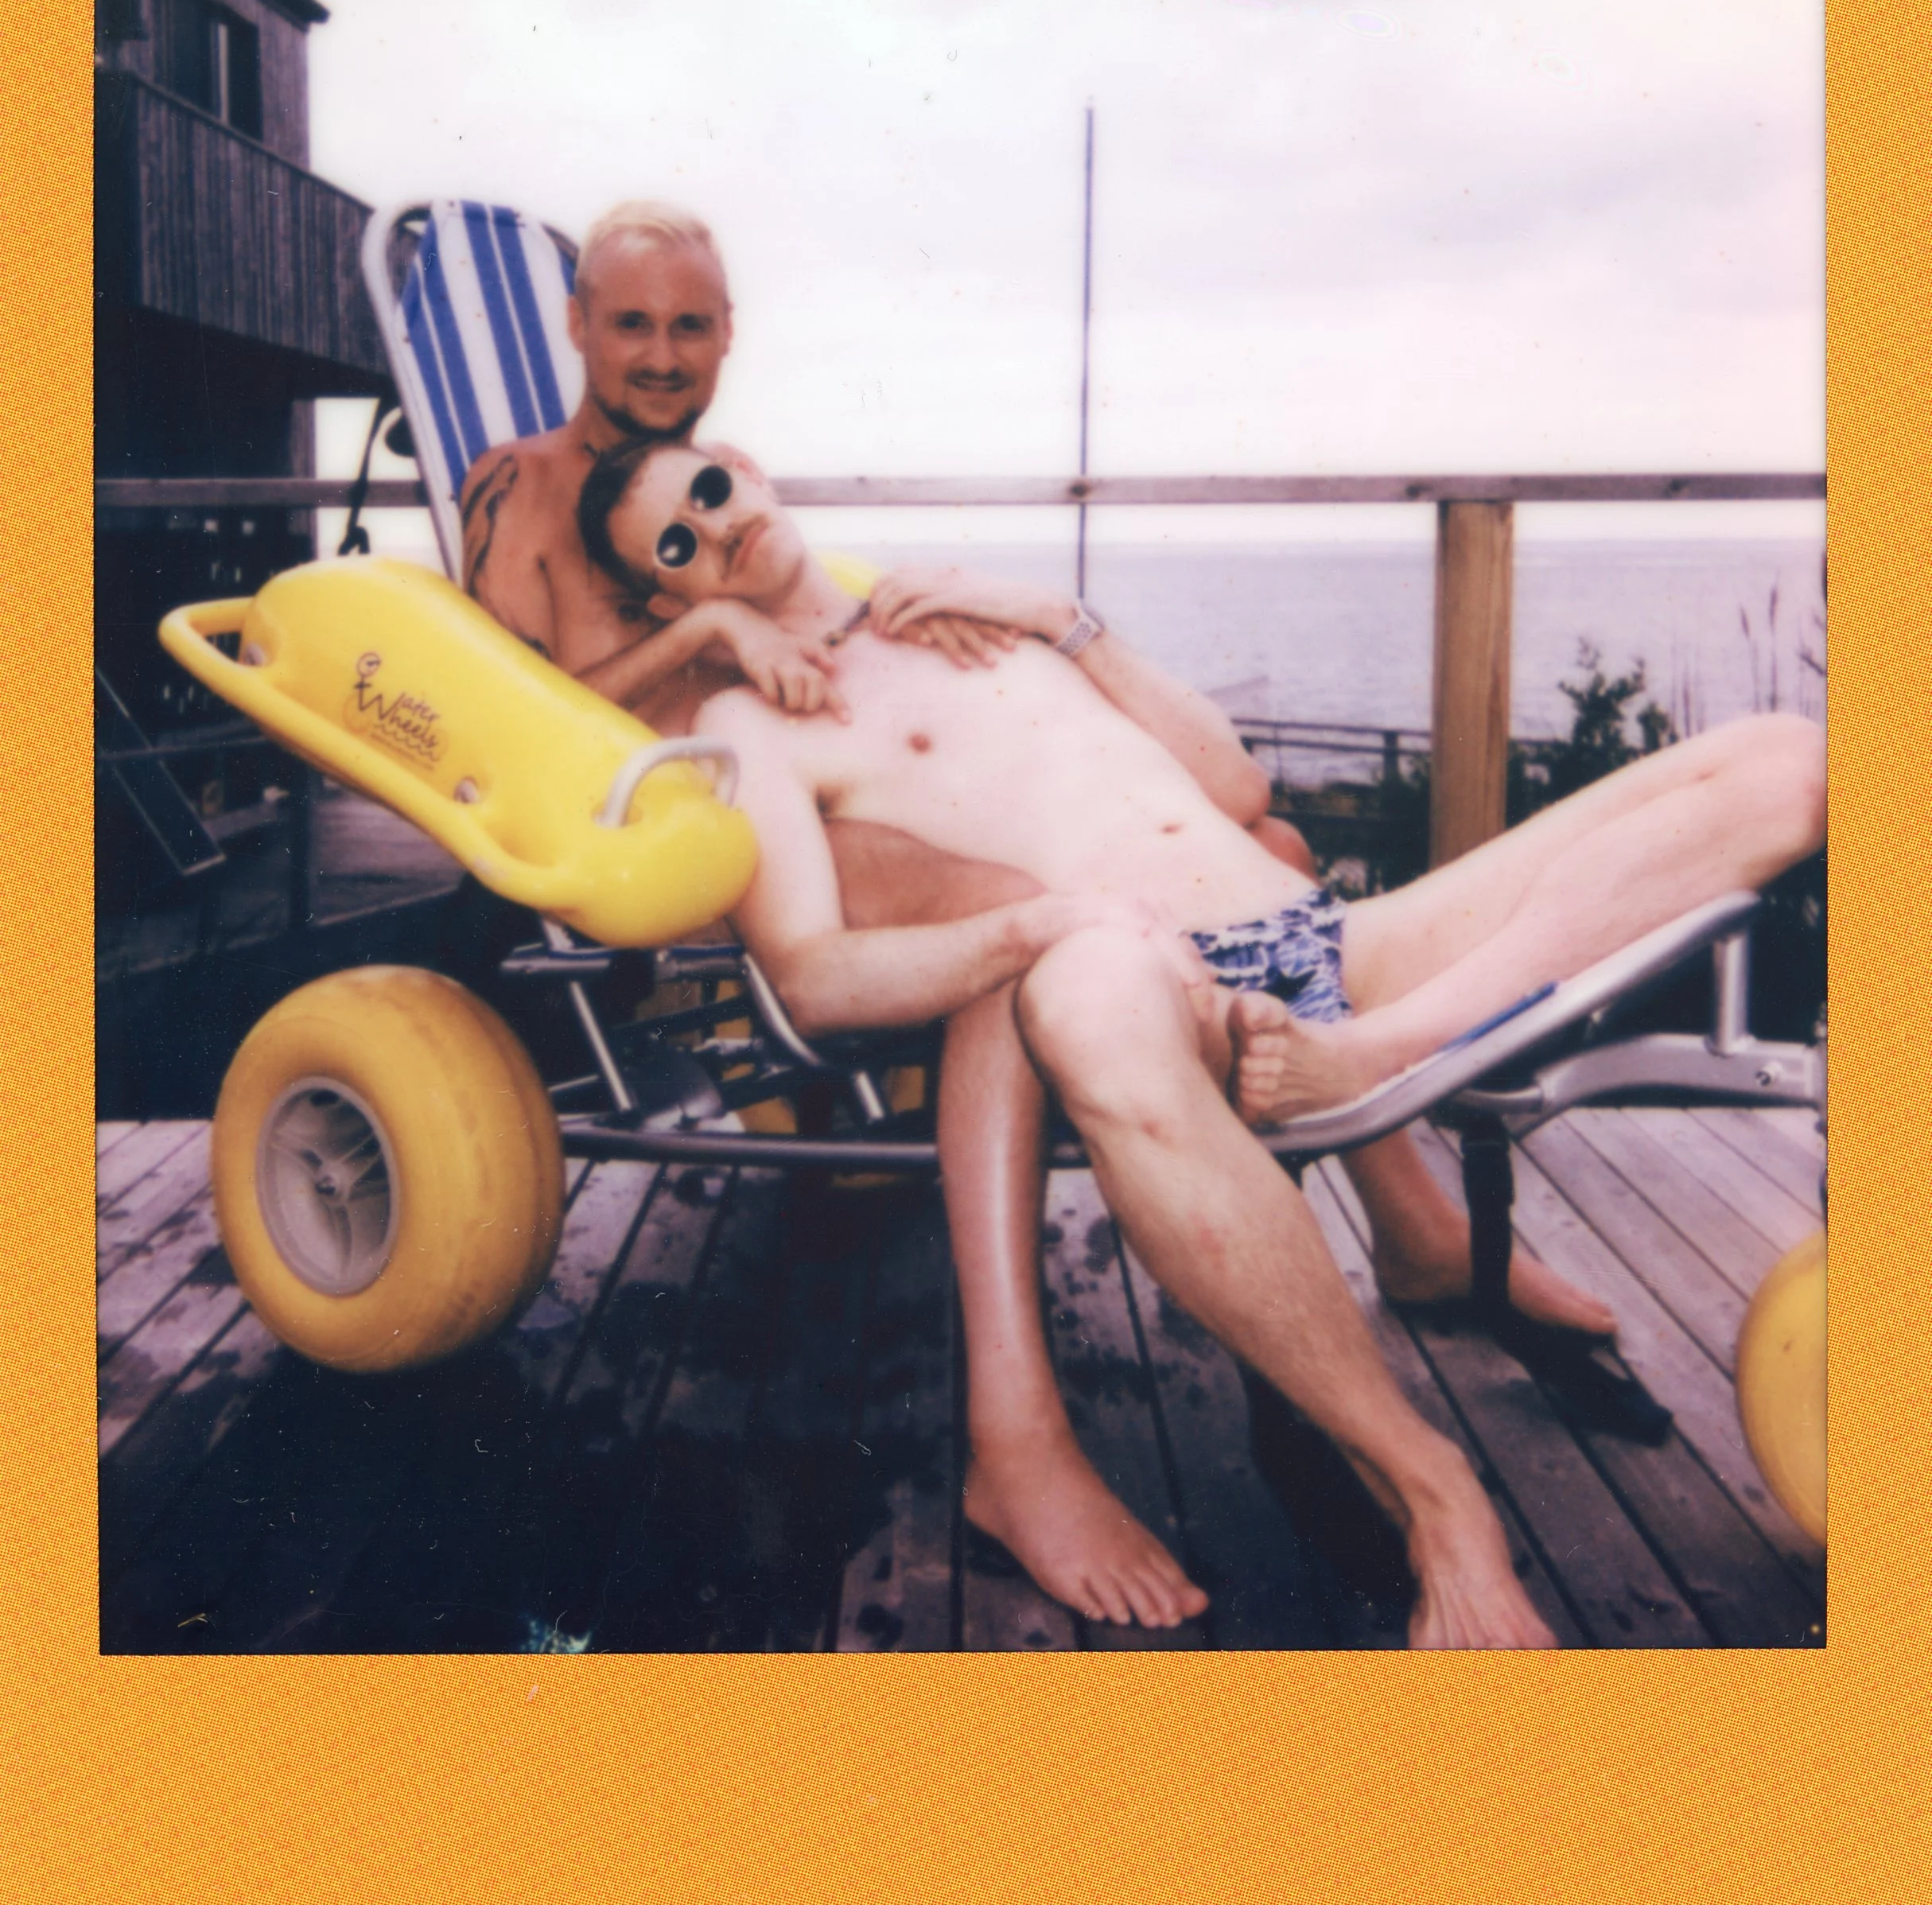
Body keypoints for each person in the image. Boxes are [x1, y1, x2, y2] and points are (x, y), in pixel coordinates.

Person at [459, 199, 1611, 1628]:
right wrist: (704, 634)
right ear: (578, 325)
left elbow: (811, 603)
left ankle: (1414, 1222)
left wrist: (937, 637)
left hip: (813, 766)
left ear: (727, 336)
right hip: (688, 827)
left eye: (689, 324)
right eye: (629, 321)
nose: (659, 352)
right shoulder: (521, 488)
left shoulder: (716, 477)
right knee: (1029, 920)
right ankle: (1023, 1436)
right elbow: (512, 728)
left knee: (1261, 831)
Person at [583, 438, 1826, 1650]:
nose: (719, 526)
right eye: (678, 547)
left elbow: (1232, 787)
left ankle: (1389, 1046)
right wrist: (1045, 919)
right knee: (1081, 1000)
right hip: (1163, 984)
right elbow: (811, 978)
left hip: (1331, 946)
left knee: (1786, 764)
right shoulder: (753, 725)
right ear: (666, 595)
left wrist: (1059, 618)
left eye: (709, 489)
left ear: (745, 464)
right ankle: (1432, 1486)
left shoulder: (965, 610)